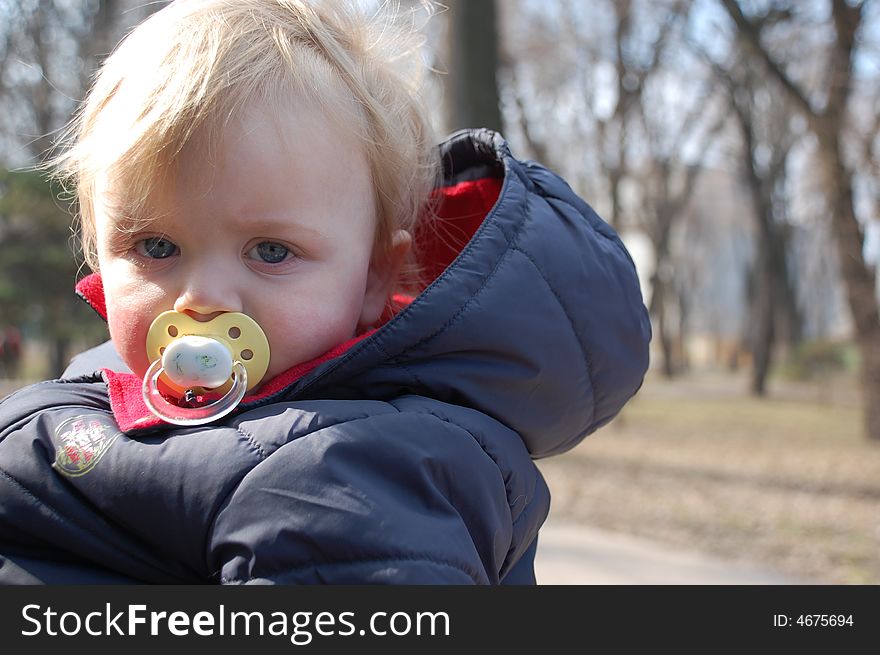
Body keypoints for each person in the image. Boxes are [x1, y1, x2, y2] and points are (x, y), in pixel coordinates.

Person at [0, 0, 651, 584]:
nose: (198, 299)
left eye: (272, 251)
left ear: (374, 277)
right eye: (156, 248)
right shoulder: (97, 386)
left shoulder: (354, 478)